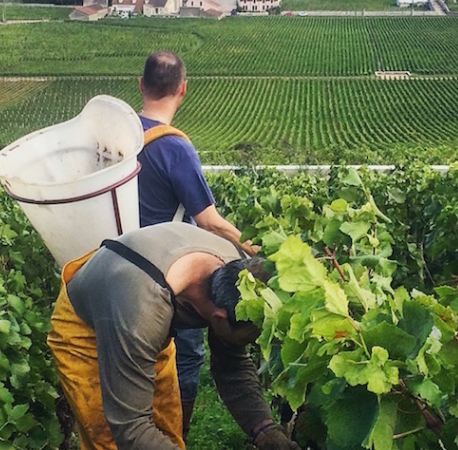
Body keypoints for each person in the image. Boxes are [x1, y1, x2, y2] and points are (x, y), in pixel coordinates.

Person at [47, 223, 299, 450]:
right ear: (219, 319)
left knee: (166, 428)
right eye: (247, 339)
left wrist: (264, 428)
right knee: (108, 439)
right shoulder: (142, 313)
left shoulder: (242, 277)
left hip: (137, 309)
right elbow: (130, 428)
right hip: (86, 330)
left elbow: (231, 365)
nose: (251, 344)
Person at [136, 50, 259, 439]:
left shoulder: (120, 138)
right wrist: (252, 249)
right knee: (186, 357)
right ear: (183, 89)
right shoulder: (175, 148)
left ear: (141, 85)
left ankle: (139, 427)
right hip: (173, 270)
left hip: (126, 263)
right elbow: (208, 221)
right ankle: (176, 434)